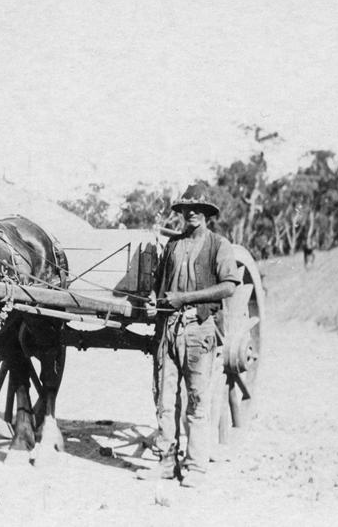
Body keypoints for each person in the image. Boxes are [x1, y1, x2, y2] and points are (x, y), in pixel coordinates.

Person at [137, 187, 240, 488]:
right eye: (186, 208)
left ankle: (196, 466)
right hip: (168, 329)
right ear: (181, 213)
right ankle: (166, 462)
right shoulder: (172, 246)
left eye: (198, 208)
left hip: (199, 329)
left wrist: (186, 298)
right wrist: (153, 302)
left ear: (207, 213)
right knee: (165, 399)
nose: (191, 212)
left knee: (197, 399)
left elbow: (230, 285)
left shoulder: (219, 246)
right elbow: (158, 287)